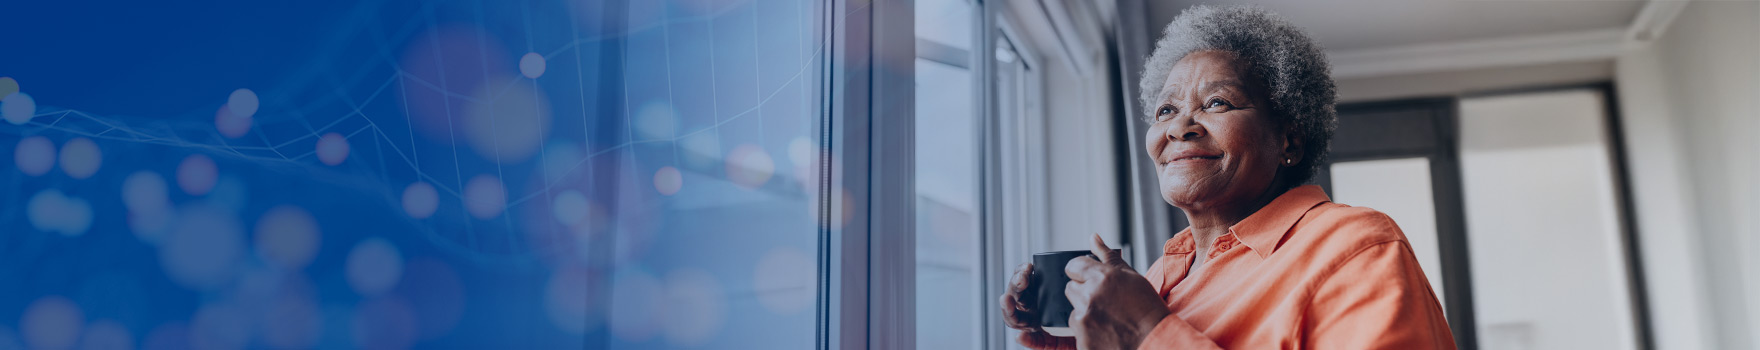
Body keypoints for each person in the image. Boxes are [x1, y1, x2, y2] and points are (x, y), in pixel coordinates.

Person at [998, 5, 1456, 349]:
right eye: (1166, 110)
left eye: (1217, 103)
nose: (1180, 126)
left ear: (1288, 142)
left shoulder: (1355, 245)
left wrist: (1145, 331)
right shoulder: (1161, 275)